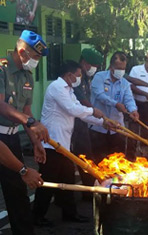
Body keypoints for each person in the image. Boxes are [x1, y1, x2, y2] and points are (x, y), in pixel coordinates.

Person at [32, 60, 107, 225]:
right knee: (47, 183)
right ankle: (37, 217)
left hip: (63, 145)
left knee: (66, 181)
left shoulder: (69, 90)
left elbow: (80, 113)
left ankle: (70, 214)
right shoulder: (57, 88)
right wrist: (93, 110)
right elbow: (73, 109)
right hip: (51, 143)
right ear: (69, 75)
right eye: (78, 75)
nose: (80, 78)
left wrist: (103, 122)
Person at [0, 29, 48, 235]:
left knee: (18, 194)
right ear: (22, 52)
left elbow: (26, 111)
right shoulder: (1, 70)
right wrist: (30, 121)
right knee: (21, 175)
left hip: (12, 138)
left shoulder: (27, 75)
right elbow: (1, 106)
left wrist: (36, 141)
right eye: (35, 56)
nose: (36, 61)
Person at [89, 51, 139, 164]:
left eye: (123, 68)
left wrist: (133, 110)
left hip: (117, 129)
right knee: (99, 162)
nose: (120, 71)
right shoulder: (99, 77)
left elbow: (129, 99)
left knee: (118, 162)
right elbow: (99, 95)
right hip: (98, 127)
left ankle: (115, 181)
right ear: (111, 67)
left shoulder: (125, 83)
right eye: (118, 68)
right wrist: (115, 104)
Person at [71, 48, 103, 200]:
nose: (94, 69)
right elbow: (82, 100)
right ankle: (86, 193)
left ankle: (87, 191)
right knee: (82, 157)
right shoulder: (75, 78)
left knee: (85, 156)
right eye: (93, 65)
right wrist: (95, 112)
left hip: (83, 121)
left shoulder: (85, 78)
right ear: (84, 62)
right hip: (73, 124)